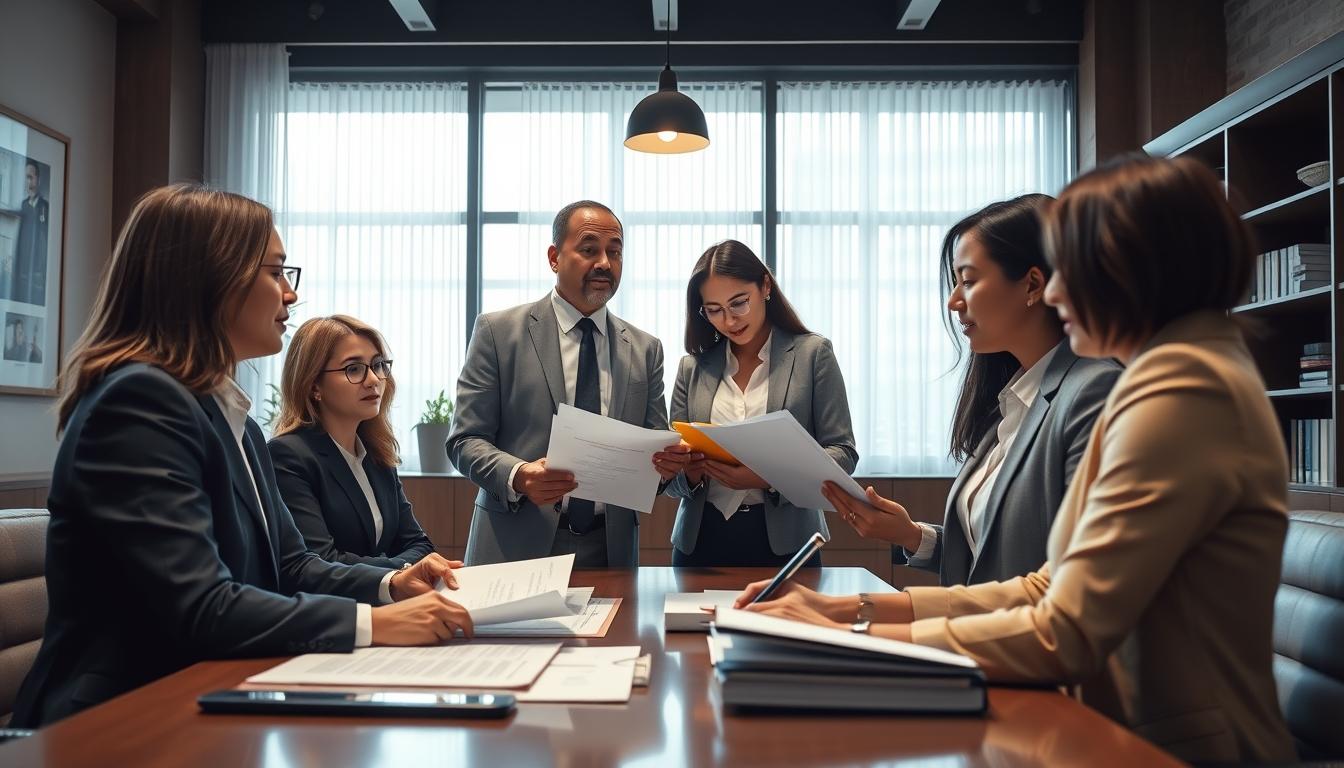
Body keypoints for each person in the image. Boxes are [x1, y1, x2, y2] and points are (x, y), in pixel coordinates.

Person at [738, 155, 1296, 763]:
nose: (1055, 290)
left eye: (1068, 269)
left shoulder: (1182, 389)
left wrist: (853, 636)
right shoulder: (1179, 374)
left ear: (1131, 267)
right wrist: (843, 609)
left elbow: (1067, 631)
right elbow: (1045, 586)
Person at [11, 184, 473, 729]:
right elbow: (200, 607)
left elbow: (290, 566)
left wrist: (391, 586)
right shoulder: (138, 403)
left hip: (211, 695)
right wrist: (377, 623)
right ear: (210, 279)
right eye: (276, 272)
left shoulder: (239, 424)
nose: (291, 296)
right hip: (120, 720)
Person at [831, 195, 1119, 585]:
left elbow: (1068, 584)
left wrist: (875, 614)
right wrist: (910, 535)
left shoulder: (1093, 393)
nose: (953, 301)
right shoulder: (1013, 398)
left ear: (1033, 284)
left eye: (967, 281)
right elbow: (995, 554)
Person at [447, 200, 693, 567]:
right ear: (554, 257)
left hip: (611, 550)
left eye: (615, 252)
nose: (604, 264)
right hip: (514, 543)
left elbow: (651, 458)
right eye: (589, 249)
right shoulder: (498, 333)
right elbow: (464, 440)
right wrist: (519, 476)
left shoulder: (645, 349)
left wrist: (667, 465)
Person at [665, 240, 857, 566]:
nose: (729, 321)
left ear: (765, 286)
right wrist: (691, 474)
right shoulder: (692, 368)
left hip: (787, 544)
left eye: (739, 303)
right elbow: (671, 481)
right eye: (714, 310)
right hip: (699, 544)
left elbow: (843, 454)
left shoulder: (812, 355)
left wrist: (766, 476)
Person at [269, 315, 436, 568]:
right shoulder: (288, 455)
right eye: (354, 369)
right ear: (314, 385)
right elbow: (321, 561)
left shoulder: (377, 453)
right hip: (335, 607)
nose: (374, 380)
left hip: (386, 602)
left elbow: (420, 545)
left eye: (378, 365)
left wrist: (400, 572)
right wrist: (402, 573)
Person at [13, 159, 49, 305]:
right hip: (22, 268)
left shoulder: (45, 207)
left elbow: (46, 241)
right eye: (25, 178)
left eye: (30, 177)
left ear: (38, 179)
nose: (28, 182)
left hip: (37, 272)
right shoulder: (23, 205)